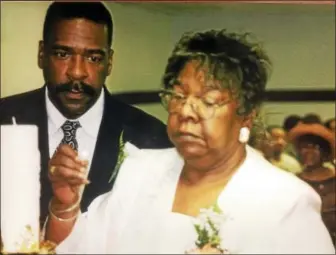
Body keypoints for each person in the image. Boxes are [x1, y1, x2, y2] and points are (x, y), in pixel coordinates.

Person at [46, 29, 335, 254]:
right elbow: (77, 250)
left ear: (246, 115)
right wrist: (65, 207)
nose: (186, 112)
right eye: (179, 96)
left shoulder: (284, 201)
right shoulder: (140, 171)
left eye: (208, 101)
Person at [0, 2, 172, 225]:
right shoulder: (4, 118)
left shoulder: (152, 138)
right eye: (63, 54)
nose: (77, 73)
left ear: (109, 62)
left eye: (93, 58)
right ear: (42, 54)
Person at [288, 122, 336, 246]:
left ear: (325, 152)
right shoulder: (293, 182)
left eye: (315, 147)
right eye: (304, 147)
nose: (308, 152)